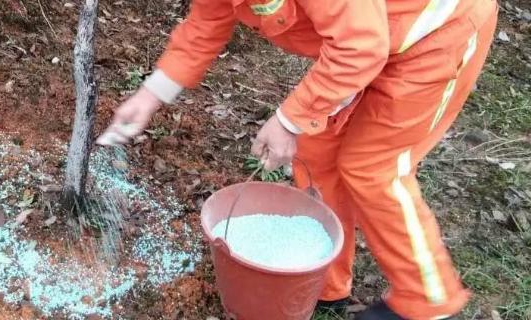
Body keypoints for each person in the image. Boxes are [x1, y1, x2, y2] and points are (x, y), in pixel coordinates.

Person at [96, 0, 499, 318]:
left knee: (373, 167)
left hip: (432, 34)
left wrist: (287, 122)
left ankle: (428, 301)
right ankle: (324, 283)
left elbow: (360, 47)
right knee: (319, 152)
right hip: (366, 40)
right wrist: (149, 97)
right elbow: (204, 27)